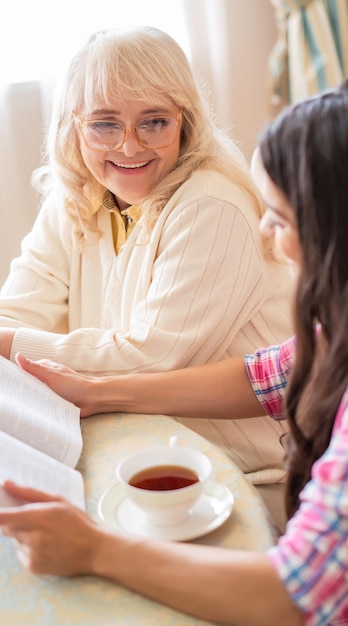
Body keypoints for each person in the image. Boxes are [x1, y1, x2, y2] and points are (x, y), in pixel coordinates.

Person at [3, 76, 348, 625]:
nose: (266, 232)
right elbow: (265, 377)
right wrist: (97, 391)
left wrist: (95, 548)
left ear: (343, 232)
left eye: (281, 216)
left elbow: (290, 594)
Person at [0, 26, 295, 528]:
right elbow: (18, 312)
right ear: (75, 126)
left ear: (186, 121)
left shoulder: (211, 204)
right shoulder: (75, 198)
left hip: (250, 479)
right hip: (140, 453)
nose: (129, 145)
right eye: (104, 124)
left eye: (154, 121)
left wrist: (9, 346)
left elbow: (153, 357)